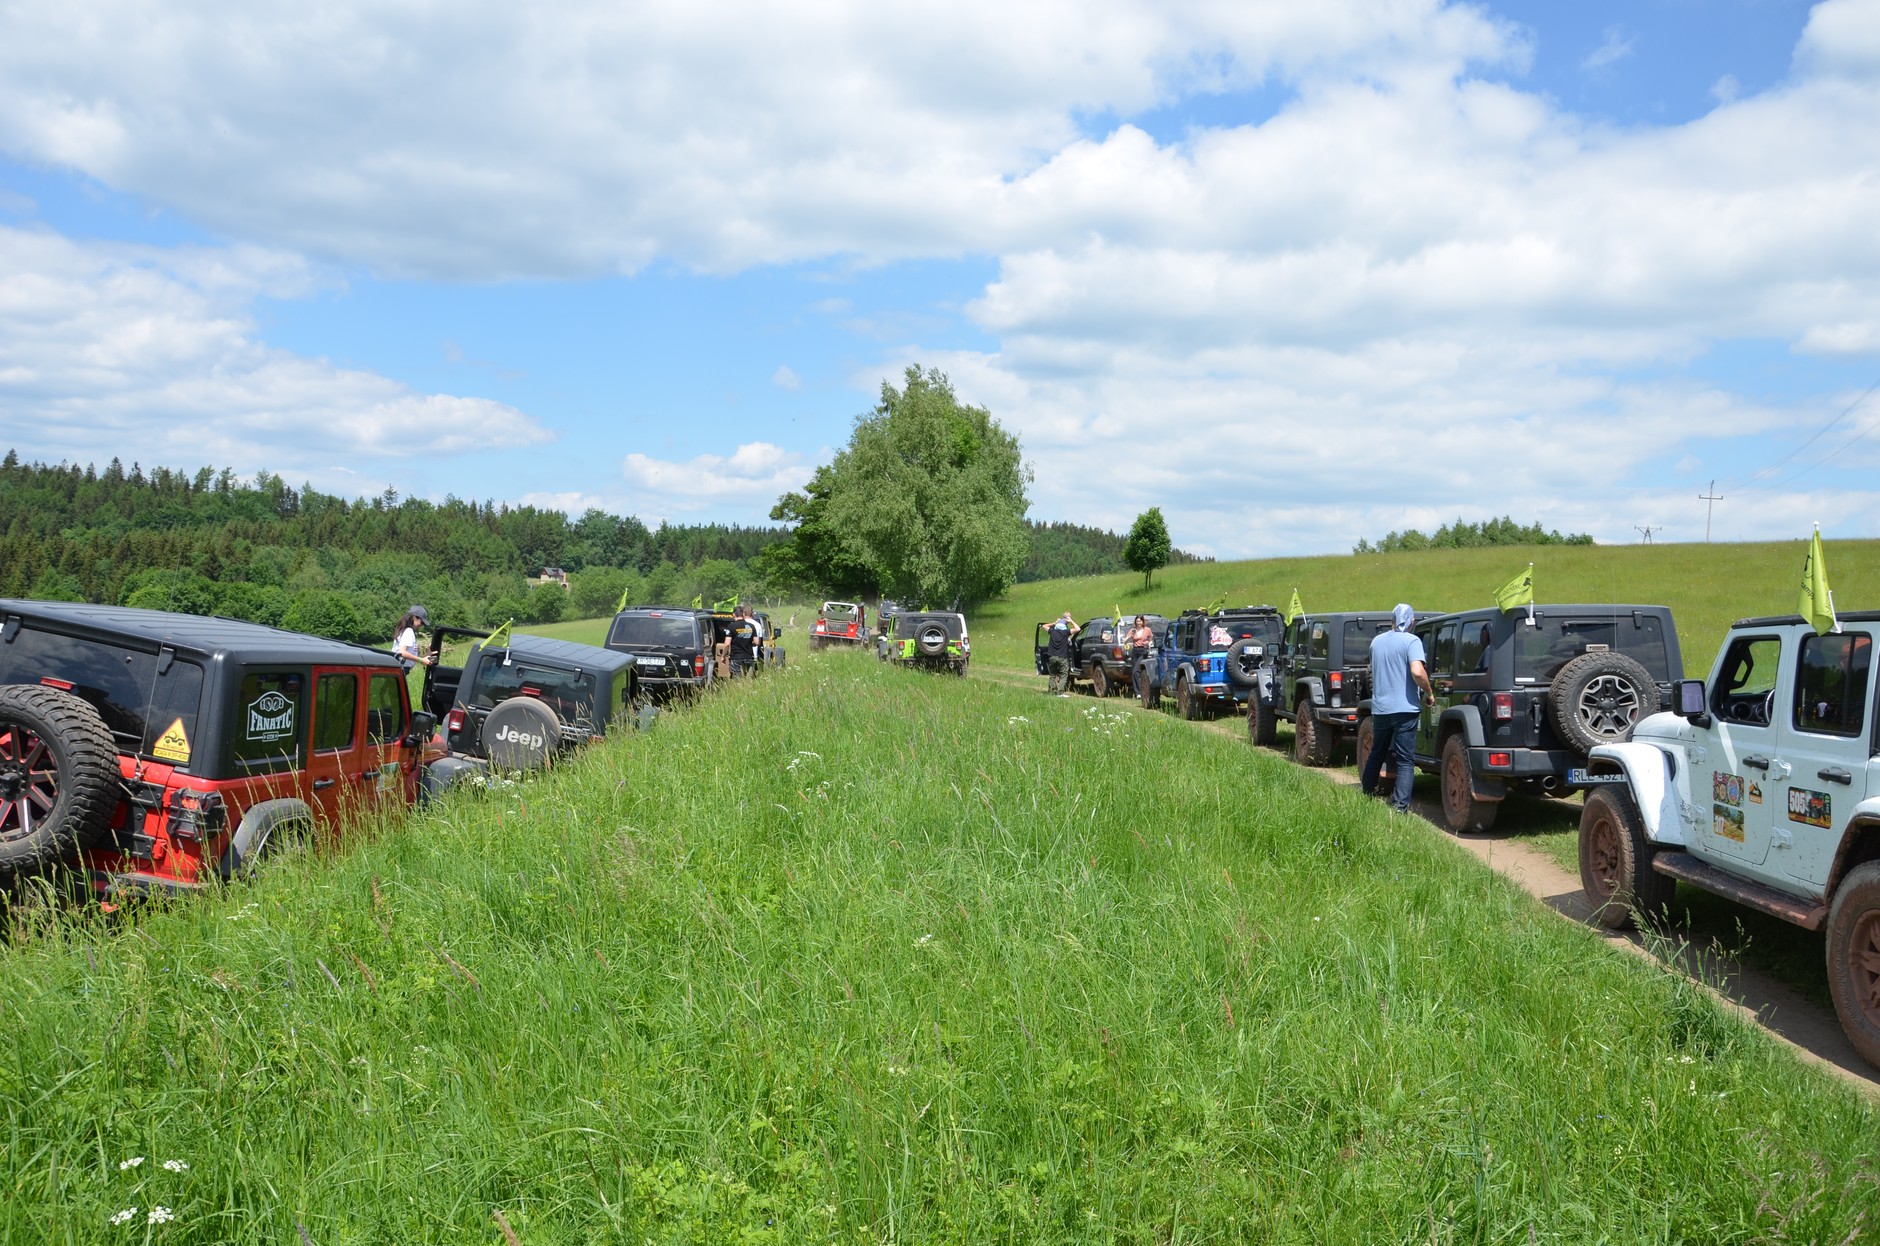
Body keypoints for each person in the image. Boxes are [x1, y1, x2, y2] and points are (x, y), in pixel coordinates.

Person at [1361, 603, 1434, 813]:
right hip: (1405, 709)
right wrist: (1429, 693)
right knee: (1405, 761)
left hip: (1381, 708)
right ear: (1412, 622)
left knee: (1377, 752)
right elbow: (1418, 672)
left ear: (1392, 621)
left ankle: (1366, 794)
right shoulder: (1412, 641)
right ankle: (1400, 807)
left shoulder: (1376, 642)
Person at [393, 606, 435, 674]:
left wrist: (425, 656)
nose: (421, 625)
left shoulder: (406, 630)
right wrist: (421, 660)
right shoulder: (408, 631)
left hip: (400, 669)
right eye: (421, 622)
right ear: (414, 618)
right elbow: (402, 653)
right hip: (401, 669)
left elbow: (410, 658)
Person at [1045, 611, 1076, 695]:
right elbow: (1078, 629)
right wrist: (1072, 621)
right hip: (1062, 657)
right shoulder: (1066, 633)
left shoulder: (1052, 632)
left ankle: (1051, 691)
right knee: (1064, 675)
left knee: (1052, 675)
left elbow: (1044, 626)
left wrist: (1054, 623)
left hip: (1052, 656)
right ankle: (1060, 692)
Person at [725, 606, 760, 676]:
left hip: (736, 657)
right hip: (749, 656)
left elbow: (727, 643)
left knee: (737, 679)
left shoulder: (731, 626)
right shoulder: (751, 626)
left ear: (733, 615)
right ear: (743, 614)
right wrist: (748, 643)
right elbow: (757, 642)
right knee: (749, 680)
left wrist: (723, 656)